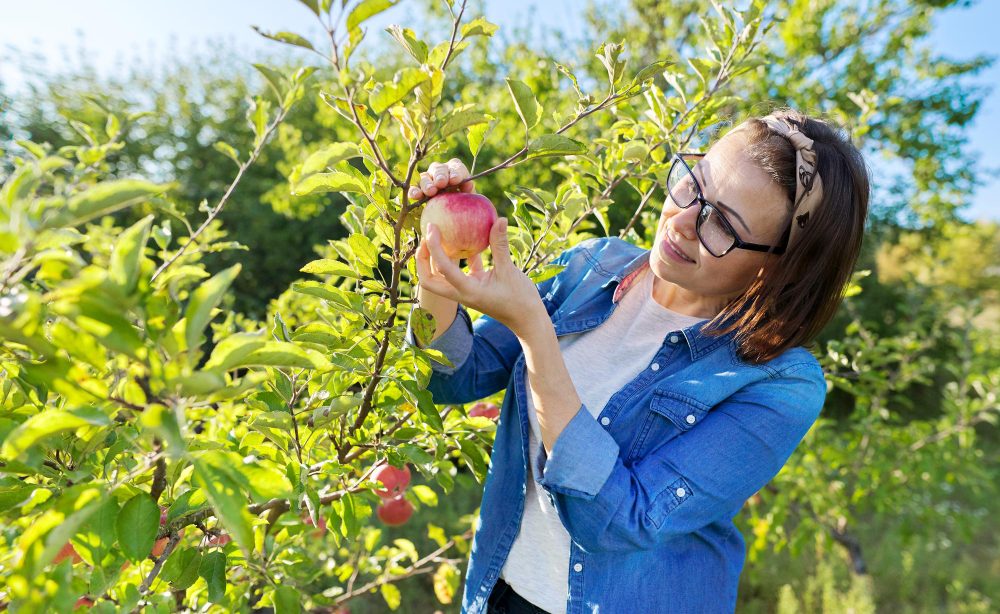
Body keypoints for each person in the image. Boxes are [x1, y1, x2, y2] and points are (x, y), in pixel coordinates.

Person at [403, 108, 870, 614]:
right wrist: (441, 265)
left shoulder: (778, 383)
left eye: (724, 224)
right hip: (500, 591)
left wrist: (535, 333)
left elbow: (620, 520)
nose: (684, 220)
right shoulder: (593, 266)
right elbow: (450, 379)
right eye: (694, 183)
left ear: (780, 265)